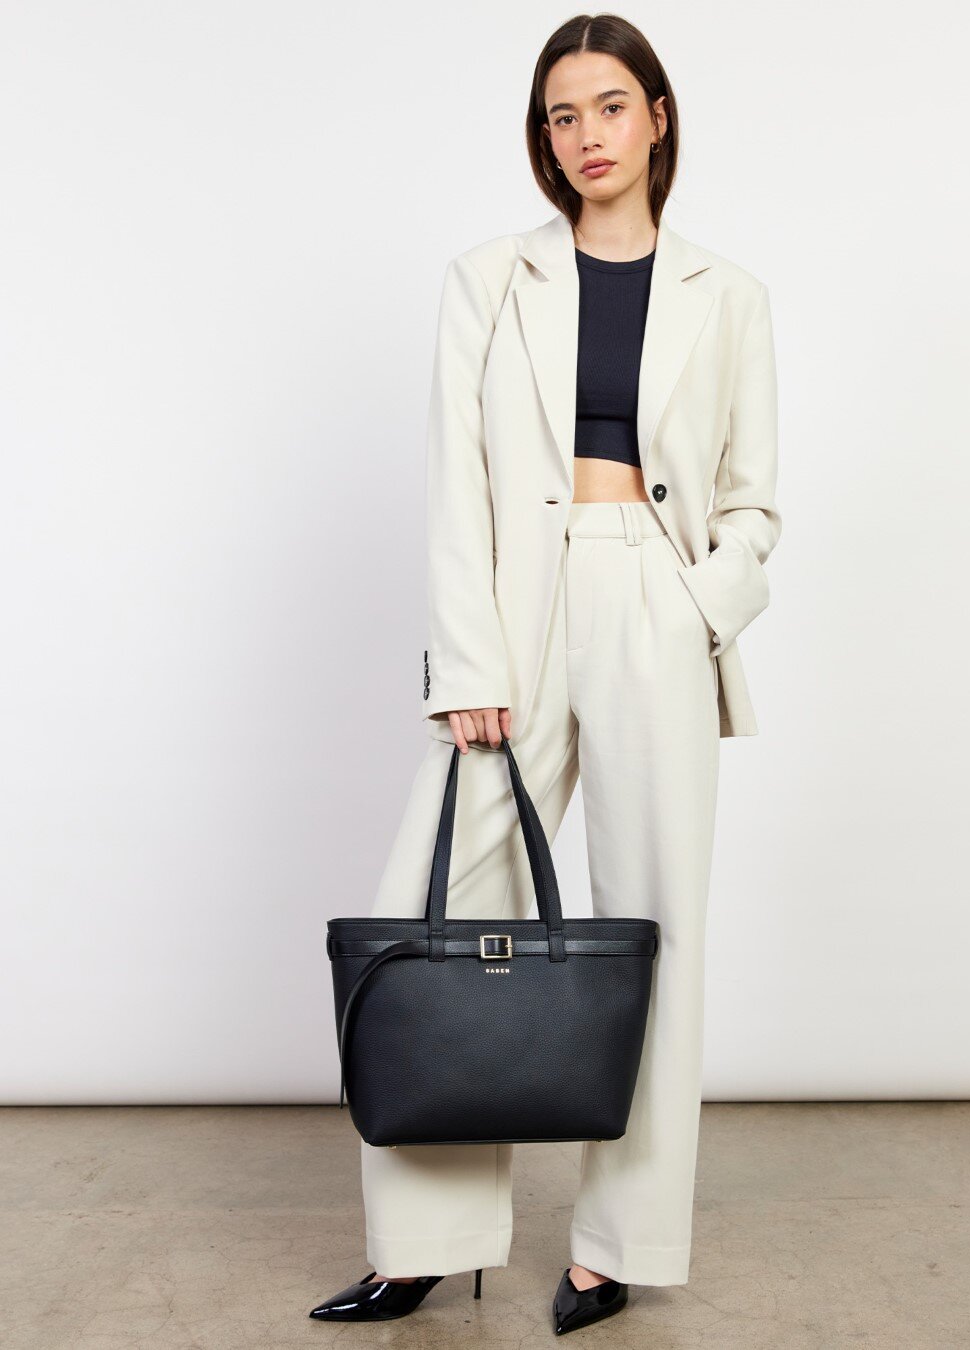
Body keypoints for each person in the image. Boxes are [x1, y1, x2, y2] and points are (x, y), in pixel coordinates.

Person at [310, 11, 781, 1336]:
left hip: (653, 600)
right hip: (517, 610)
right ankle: (425, 1239)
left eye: (610, 107)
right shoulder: (488, 278)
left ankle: (618, 1246)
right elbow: (454, 478)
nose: (587, 136)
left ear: (657, 118)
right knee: (443, 909)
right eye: (562, 115)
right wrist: (470, 657)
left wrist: (696, 610)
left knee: (656, 924)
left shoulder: (729, 294)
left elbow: (754, 501)